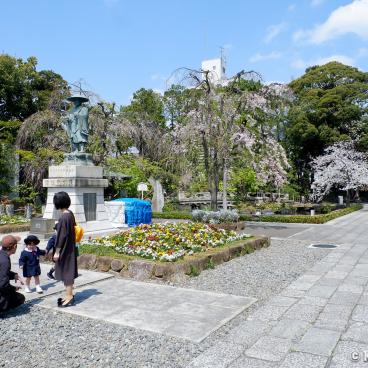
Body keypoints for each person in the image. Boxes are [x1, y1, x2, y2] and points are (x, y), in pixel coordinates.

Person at [53, 191, 78, 307]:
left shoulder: (64, 217)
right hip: (71, 246)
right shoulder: (70, 214)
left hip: (64, 248)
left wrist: (57, 252)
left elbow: (61, 236)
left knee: (66, 272)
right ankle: (69, 293)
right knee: (69, 270)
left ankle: (69, 296)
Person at [0, 235, 25, 312]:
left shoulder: (1, 255)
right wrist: (13, 288)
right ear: (14, 246)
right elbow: (2, 284)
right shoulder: (5, 261)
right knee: (20, 298)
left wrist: (14, 275)